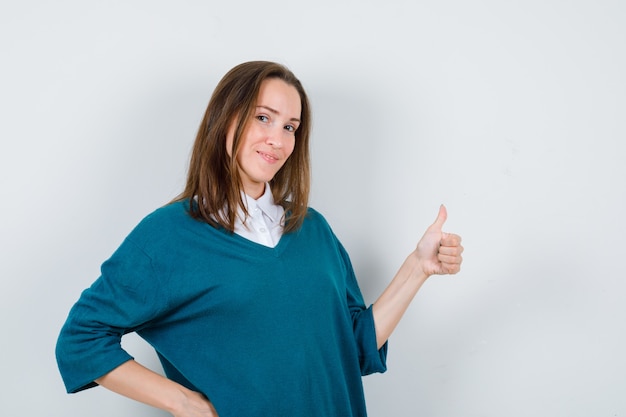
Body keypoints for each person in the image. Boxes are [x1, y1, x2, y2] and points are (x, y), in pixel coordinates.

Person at [55, 61, 463, 417]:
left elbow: (352, 349)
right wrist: (184, 403)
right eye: (263, 118)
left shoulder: (313, 230)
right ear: (225, 119)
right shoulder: (168, 236)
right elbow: (81, 339)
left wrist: (417, 268)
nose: (278, 139)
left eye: (290, 127)